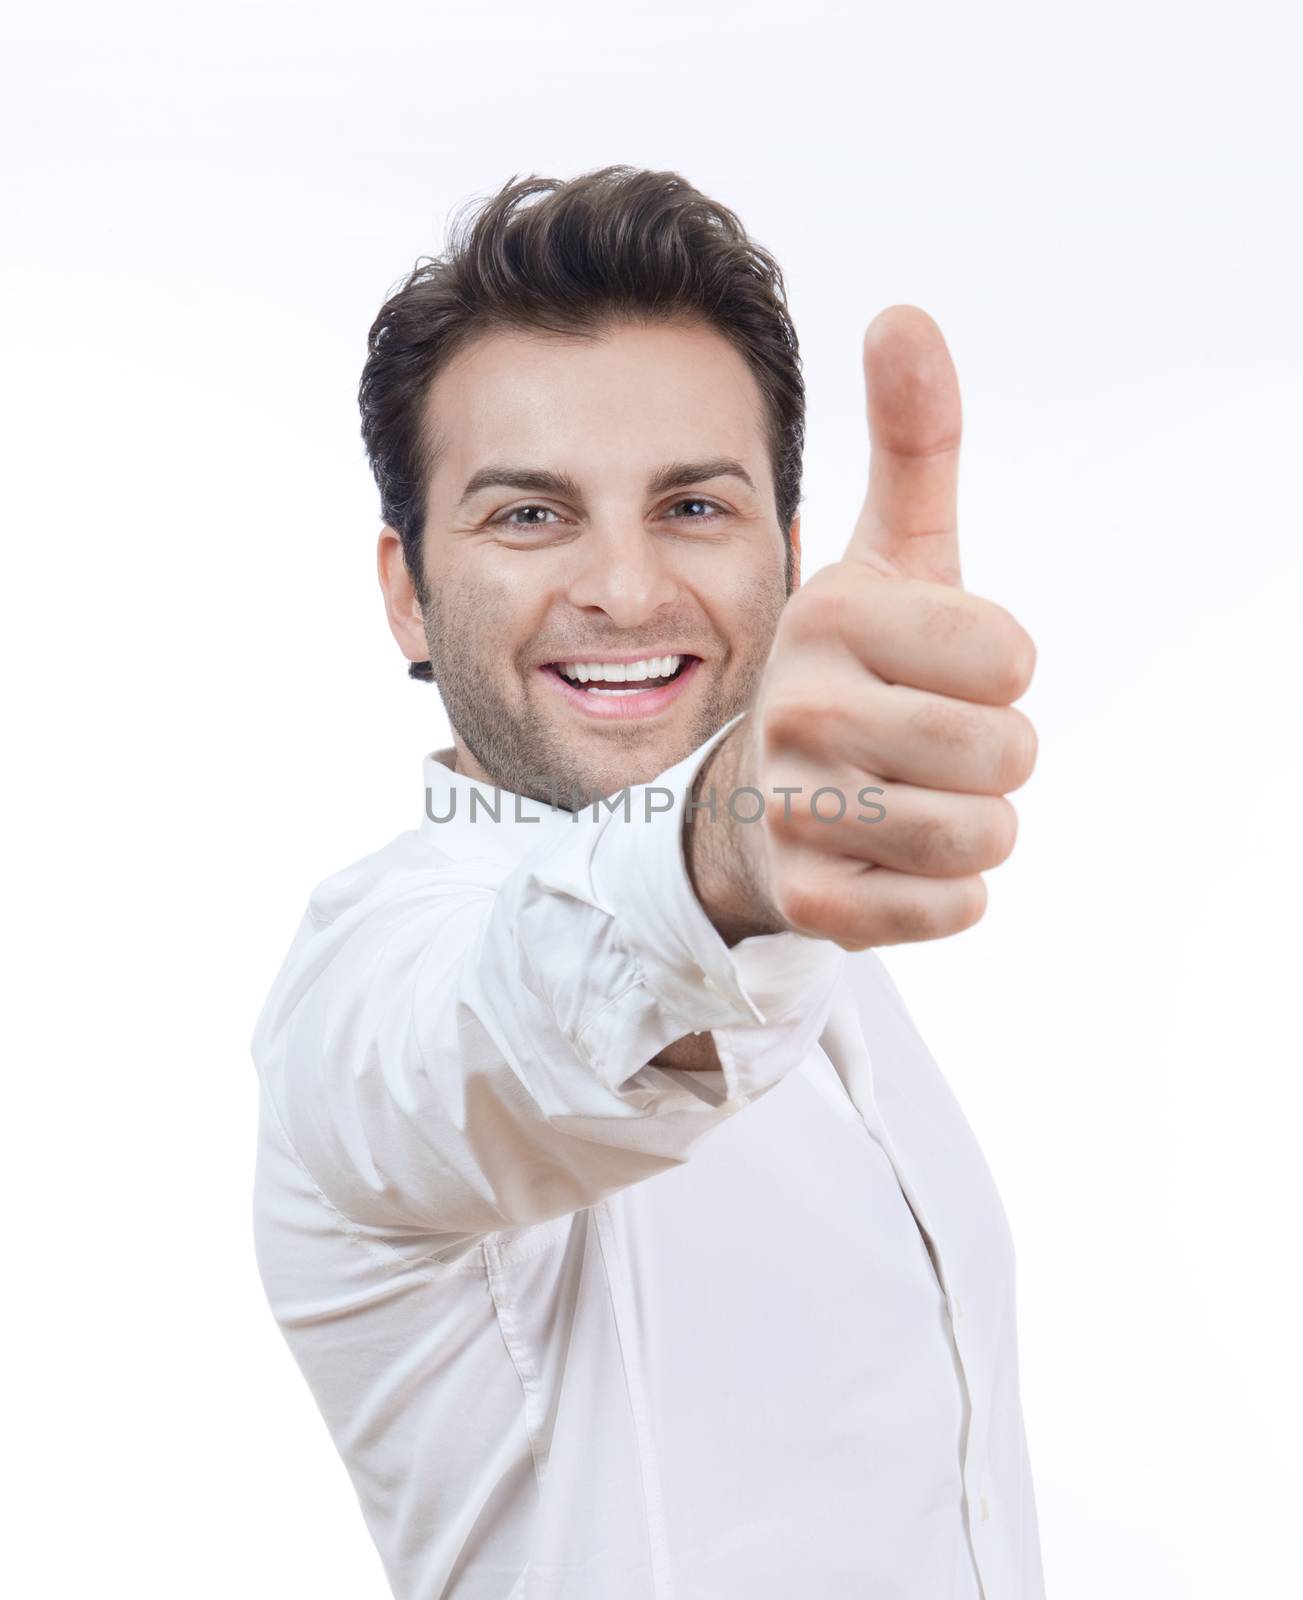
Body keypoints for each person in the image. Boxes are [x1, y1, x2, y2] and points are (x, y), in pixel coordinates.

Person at [250, 164, 1046, 1599]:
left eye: (692, 506)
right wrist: (727, 843)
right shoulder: (366, 991)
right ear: (406, 592)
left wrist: (758, 855)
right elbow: (505, 1034)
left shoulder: (820, 948)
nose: (623, 589)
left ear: (788, 563)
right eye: (530, 516)